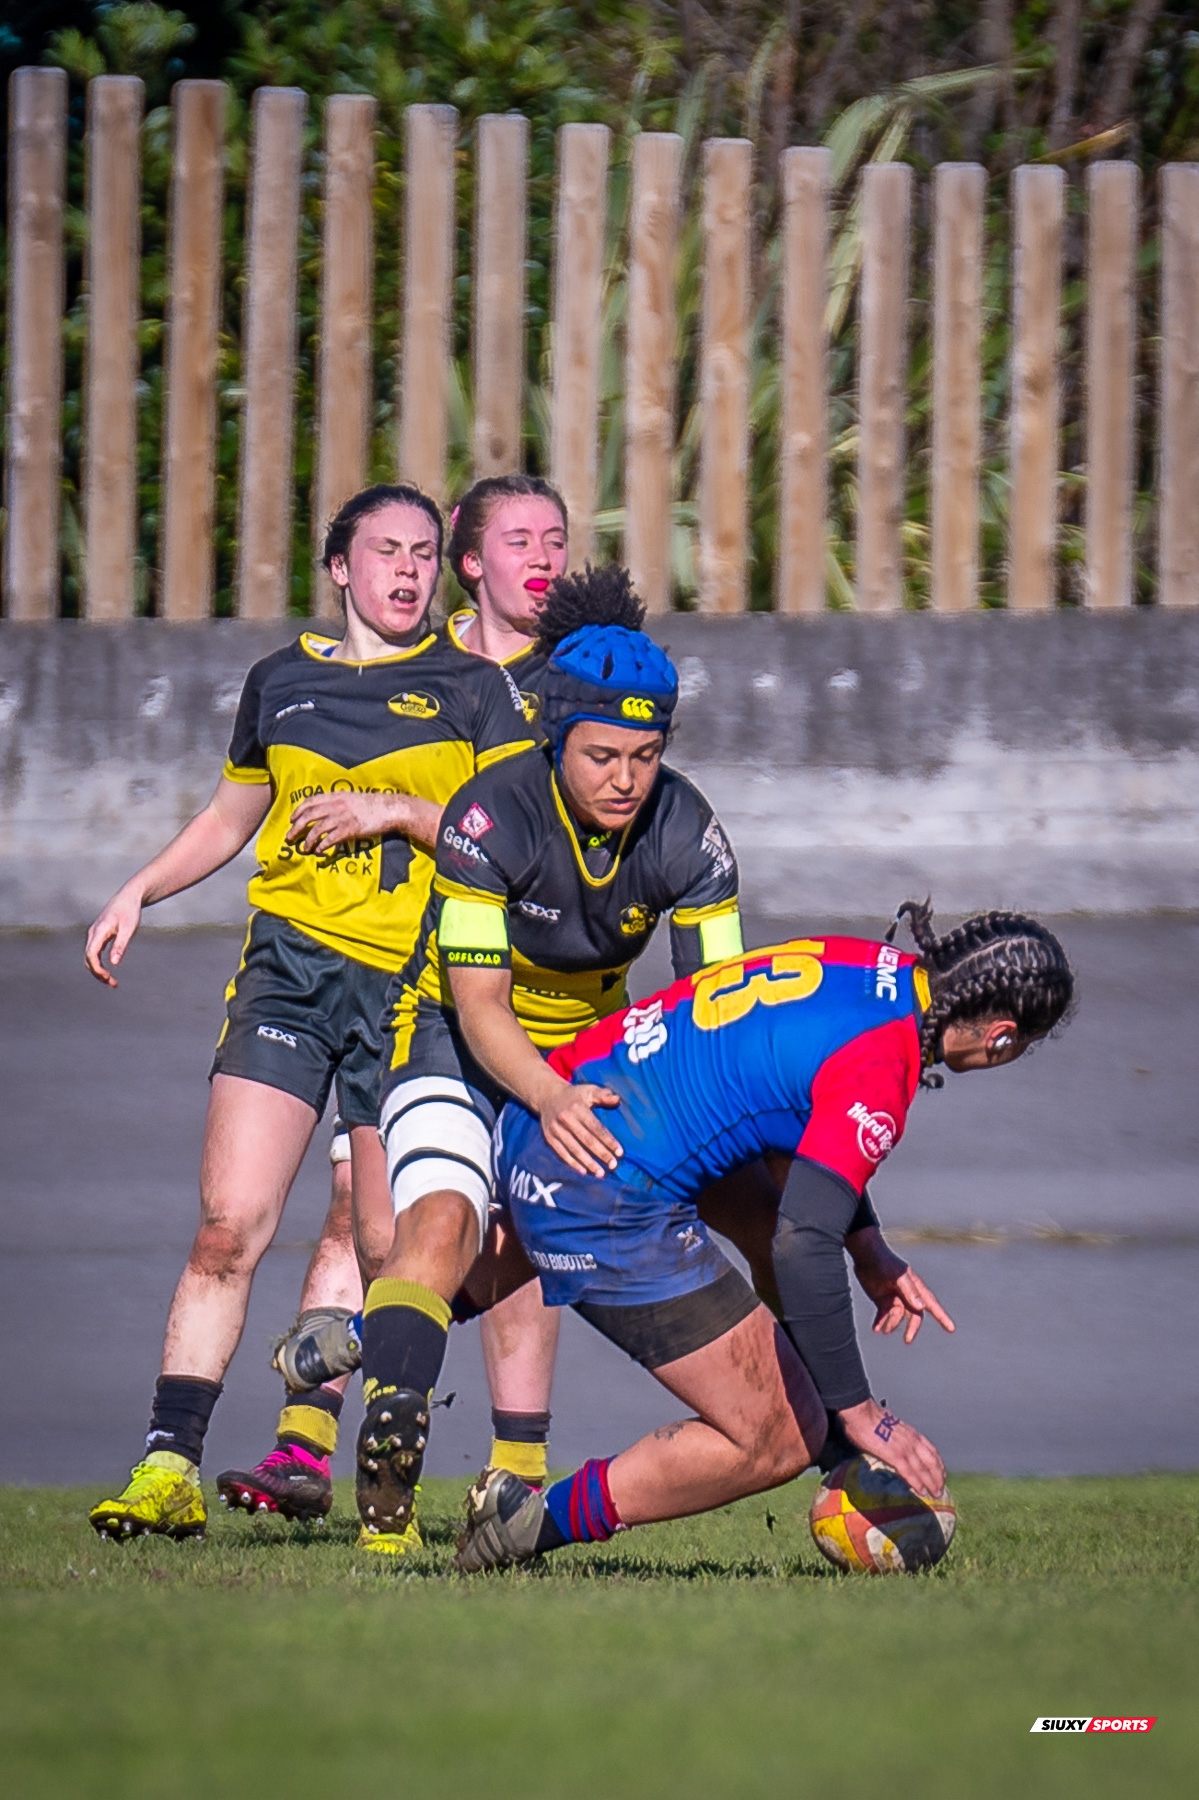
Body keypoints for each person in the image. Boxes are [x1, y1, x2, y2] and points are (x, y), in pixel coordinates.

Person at [86, 483, 534, 1542]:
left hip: (414, 990)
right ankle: (166, 1468)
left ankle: (372, 1481)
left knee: (383, 1246)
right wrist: (139, 889)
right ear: (339, 567)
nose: (408, 571)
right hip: (287, 973)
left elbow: (520, 838)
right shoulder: (279, 681)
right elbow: (229, 816)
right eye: (386, 551)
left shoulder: (474, 688)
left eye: (423, 553)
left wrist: (399, 811)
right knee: (225, 1228)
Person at [453, 902, 1075, 1571]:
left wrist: (867, 1246)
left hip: (546, 1118)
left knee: (445, 1292)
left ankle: (372, 1350)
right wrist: (860, 1411)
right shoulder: (884, 1062)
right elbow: (802, 1243)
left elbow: (795, 1126)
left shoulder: (861, 961)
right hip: (603, 1188)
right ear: (1002, 1037)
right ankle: (528, 1522)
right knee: (779, 1436)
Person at [351, 579, 748, 1549]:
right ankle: (387, 1469)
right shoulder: (489, 814)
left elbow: (718, 1011)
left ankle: (390, 1365)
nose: (626, 779)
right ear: (553, 736)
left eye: (645, 756)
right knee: (442, 1223)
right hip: (453, 1035)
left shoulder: (689, 833)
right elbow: (482, 1005)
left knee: (534, 1243)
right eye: (601, 756)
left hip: (587, 1051)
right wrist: (550, 1096)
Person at [234, 473, 576, 1519]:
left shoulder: (578, 682)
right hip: (411, 984)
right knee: (365, 1211)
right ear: (468, 563)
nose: (545, 559)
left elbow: (548, 845)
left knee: (516, 1227)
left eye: (557, 540)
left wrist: (397, 810)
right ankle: (304, 1447)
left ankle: (513, 1471)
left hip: (536, 987)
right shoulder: (422, 665)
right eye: (520, 539)